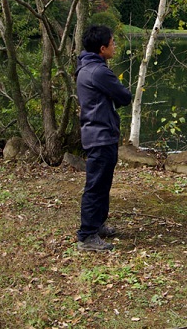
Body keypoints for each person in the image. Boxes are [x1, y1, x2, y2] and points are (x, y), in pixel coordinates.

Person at [75, 25, 132, 251]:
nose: (114, 46)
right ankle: (87, 235)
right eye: (112, 43)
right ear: (102, 48)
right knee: (96, 185)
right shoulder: (98, 71)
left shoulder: (87, 67)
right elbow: (124, 96)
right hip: (100, 135)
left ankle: (97, 225)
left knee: (102, 183)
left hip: (98, 132)